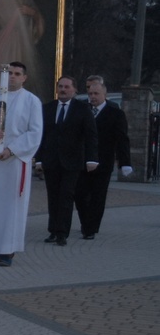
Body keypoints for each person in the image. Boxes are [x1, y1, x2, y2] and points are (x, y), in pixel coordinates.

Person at [0, 62, 43, 266]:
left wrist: (12, 150)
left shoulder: (31, 101)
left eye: (17, 73)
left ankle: (8, 249)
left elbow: (35, 132)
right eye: (9, 73)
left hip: (14, 161)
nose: (12, 77)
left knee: (11, 207)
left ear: (24, 77)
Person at [35, 76, 98, 246]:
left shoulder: (82, 109)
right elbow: (40, 136)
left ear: (74, 90)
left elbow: (90, 135)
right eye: (60, 86)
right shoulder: (47, 108)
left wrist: (92, 159)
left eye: (67, 87)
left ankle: (62, 232)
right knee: (53, 196)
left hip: (72, 161)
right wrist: (39, 159)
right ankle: (53, 231)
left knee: (66, 196)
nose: (63, 89)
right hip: (51, 160)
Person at [74, 82, 132, 239]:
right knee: (79, 194)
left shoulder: (115, 113)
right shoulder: (82, 110)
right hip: (82, 161)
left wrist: (125, 162)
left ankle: (91, 228)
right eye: (90, 94)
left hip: (103, 162)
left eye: (96, 94)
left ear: (104, 95)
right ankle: (86, 222)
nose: (92, 97)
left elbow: (122, 139)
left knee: (97, 196)